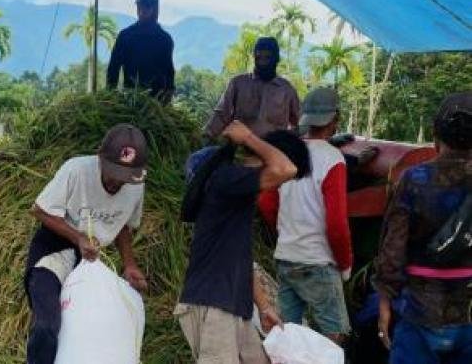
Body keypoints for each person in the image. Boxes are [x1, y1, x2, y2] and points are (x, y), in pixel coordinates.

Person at [176, 121, 311, 363]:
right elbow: (285, 169)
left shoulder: (240, 193)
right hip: (214, 304)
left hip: (234, 306)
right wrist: (248, 137)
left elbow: (242, 257)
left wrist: (264, 306)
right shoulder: (227, 179)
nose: (279, 186)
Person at [25, 124, 149, 364]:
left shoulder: (136, 185)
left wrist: (130, 264)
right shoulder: (77, 170)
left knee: (91, 327)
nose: (117, 182)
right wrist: (78, 237)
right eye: (114, 173)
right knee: (47, 326)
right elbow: (39, 210)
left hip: (92, 260)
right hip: (54, 252)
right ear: (100, 158)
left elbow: (123, 226)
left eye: (125, 177)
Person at [373, 92, 471, 364]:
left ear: (435, 134)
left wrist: (384, 302)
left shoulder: (414, 179)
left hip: (420, 312)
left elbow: (392, 251)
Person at [257, 87, 353, 344]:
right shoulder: (333, 158)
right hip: (318, 262)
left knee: (287, 331)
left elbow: (266, 201)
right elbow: (336, 224)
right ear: (334, 120)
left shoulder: (287, 152)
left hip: (286, 257)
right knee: (335, 334)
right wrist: (345, 265)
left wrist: (286, 231)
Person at [204, 37, 300, 139]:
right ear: (254, 57)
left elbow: (299, 121)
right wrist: (207, 135)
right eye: (259, 57)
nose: (262, 62)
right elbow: (221, 113)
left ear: (276, 59)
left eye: (267, 57)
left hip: (274, 151)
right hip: (240, 149)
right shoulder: (238, 84)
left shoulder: (286, 89)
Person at [106, 0, 175, 102]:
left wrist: (168, 96)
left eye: (147, 6)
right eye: (140, 6)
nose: (142, 10)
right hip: (129, 100)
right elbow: (113, 67)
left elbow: (169, 72)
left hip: (157, 103)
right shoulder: (126, 36)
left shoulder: (164, 39)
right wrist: (109, 96)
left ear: (155, 9)